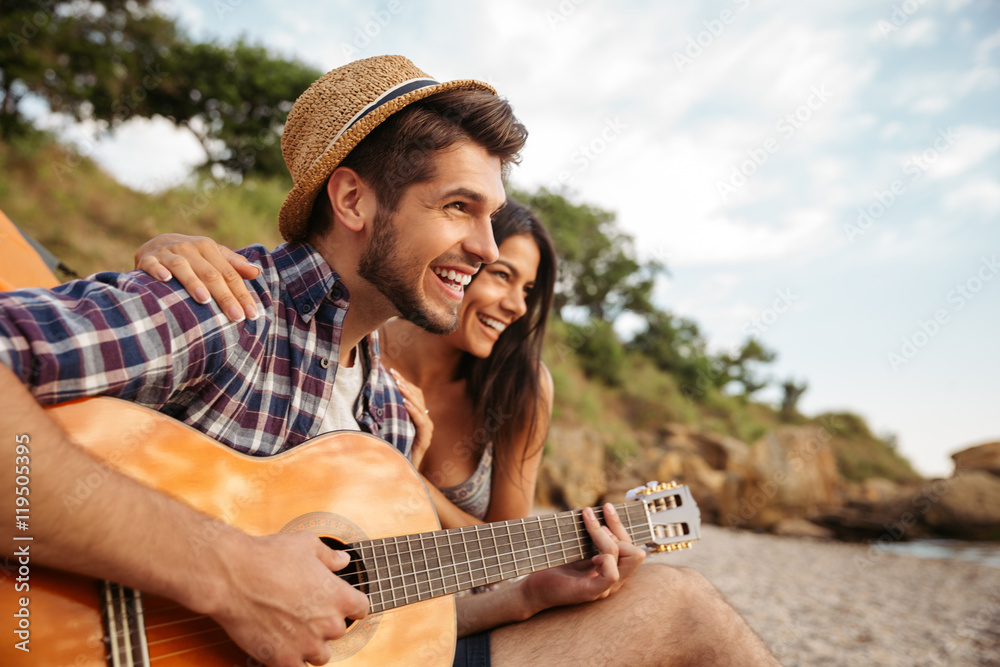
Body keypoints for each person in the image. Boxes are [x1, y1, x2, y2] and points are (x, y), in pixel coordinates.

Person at [0, 55, 779, 665]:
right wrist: (226, 569)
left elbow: (368, 615)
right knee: (683, 612)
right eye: (458, 208)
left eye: (491, 214)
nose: (484, 247)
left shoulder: (380, 410)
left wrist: (525, 595)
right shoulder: (227, 307)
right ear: (352, 201)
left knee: (675, 607)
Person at [134, 199, 556, 529]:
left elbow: (506, 552)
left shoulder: (521, 385)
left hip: (443, 598)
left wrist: (407, 478)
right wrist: (165, 252)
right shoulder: (359, 345)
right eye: (502, 275)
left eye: (529, 288)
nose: (518, 305)